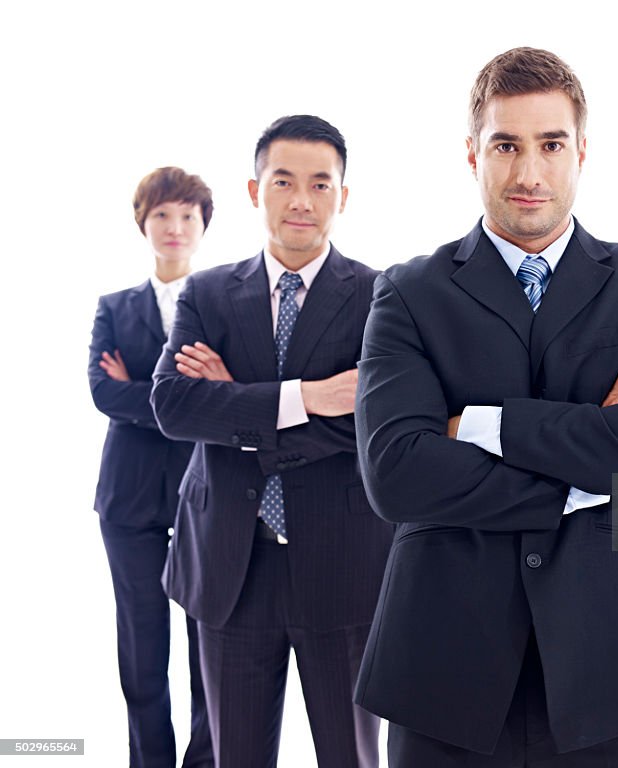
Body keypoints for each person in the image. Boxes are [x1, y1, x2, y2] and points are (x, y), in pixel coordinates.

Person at [352, 47, 618, 767]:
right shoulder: (409, 292)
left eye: (550, 145)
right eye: (505, 146)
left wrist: (484, 426)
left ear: (581, 151)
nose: (528, 173)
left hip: (610, 658)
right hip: (444, 665)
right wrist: (599, 448)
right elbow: (396, 474)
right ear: (472, 153)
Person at [150, 115, 393, 768]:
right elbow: (173, 405)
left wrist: (237, 401)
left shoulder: (380, 297)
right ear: (255, 191)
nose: (301, 201)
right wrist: (306, 397)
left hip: (344, 567)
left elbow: (375, 422)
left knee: (354, 756)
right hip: (232, 565)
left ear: (344, 196)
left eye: (321, 184)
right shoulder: (205, 292)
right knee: (235, 756)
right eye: (283, 181)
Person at [88, 166, 214, 767]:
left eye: (187, 215)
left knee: (208, 642)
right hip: (128, 499)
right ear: (144, 222)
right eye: (163, 214)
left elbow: (225, 396)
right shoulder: (114, 307)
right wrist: (176, 398)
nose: (175, 227)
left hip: (203, 494)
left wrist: (142, 391)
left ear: (202, 226)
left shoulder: (220, 302)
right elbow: (101, 393)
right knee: (141, 644)